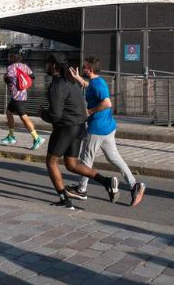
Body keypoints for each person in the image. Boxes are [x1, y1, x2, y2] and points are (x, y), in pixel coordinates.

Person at [40, 52, 118, 210]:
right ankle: (106, 182)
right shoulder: (71, 82)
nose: (45, 66)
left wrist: (43, 114)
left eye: (47, 63)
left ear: (54, 66)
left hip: (65, 128)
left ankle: (64, 199)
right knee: (71, 164)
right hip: (79, 126)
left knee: (51, 162)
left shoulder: (57, 85)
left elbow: (56, 115)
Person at [66, 57, 146, 207]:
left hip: (97, 128)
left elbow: (107, 102)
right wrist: (77, 78)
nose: (81, 69)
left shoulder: (98, 84)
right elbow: (88, 86)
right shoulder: (96, 82)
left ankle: (82, 189)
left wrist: (90, 111)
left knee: (86, 159)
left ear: (89, 69)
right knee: (113, 157)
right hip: (107, 127)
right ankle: (135, 185)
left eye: (83, 67)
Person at [1, 51, 43, 150]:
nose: (8, 58)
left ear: (12, 58)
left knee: (24, 118)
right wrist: (22, 78)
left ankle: (37, 138)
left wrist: (5, 78)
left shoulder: (11, 67)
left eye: (9, 56)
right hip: (22, 95)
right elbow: (33, 76)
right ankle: (11, 136)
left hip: (17, 97)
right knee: (8, 113)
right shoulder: (24, 66)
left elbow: (10, 80)